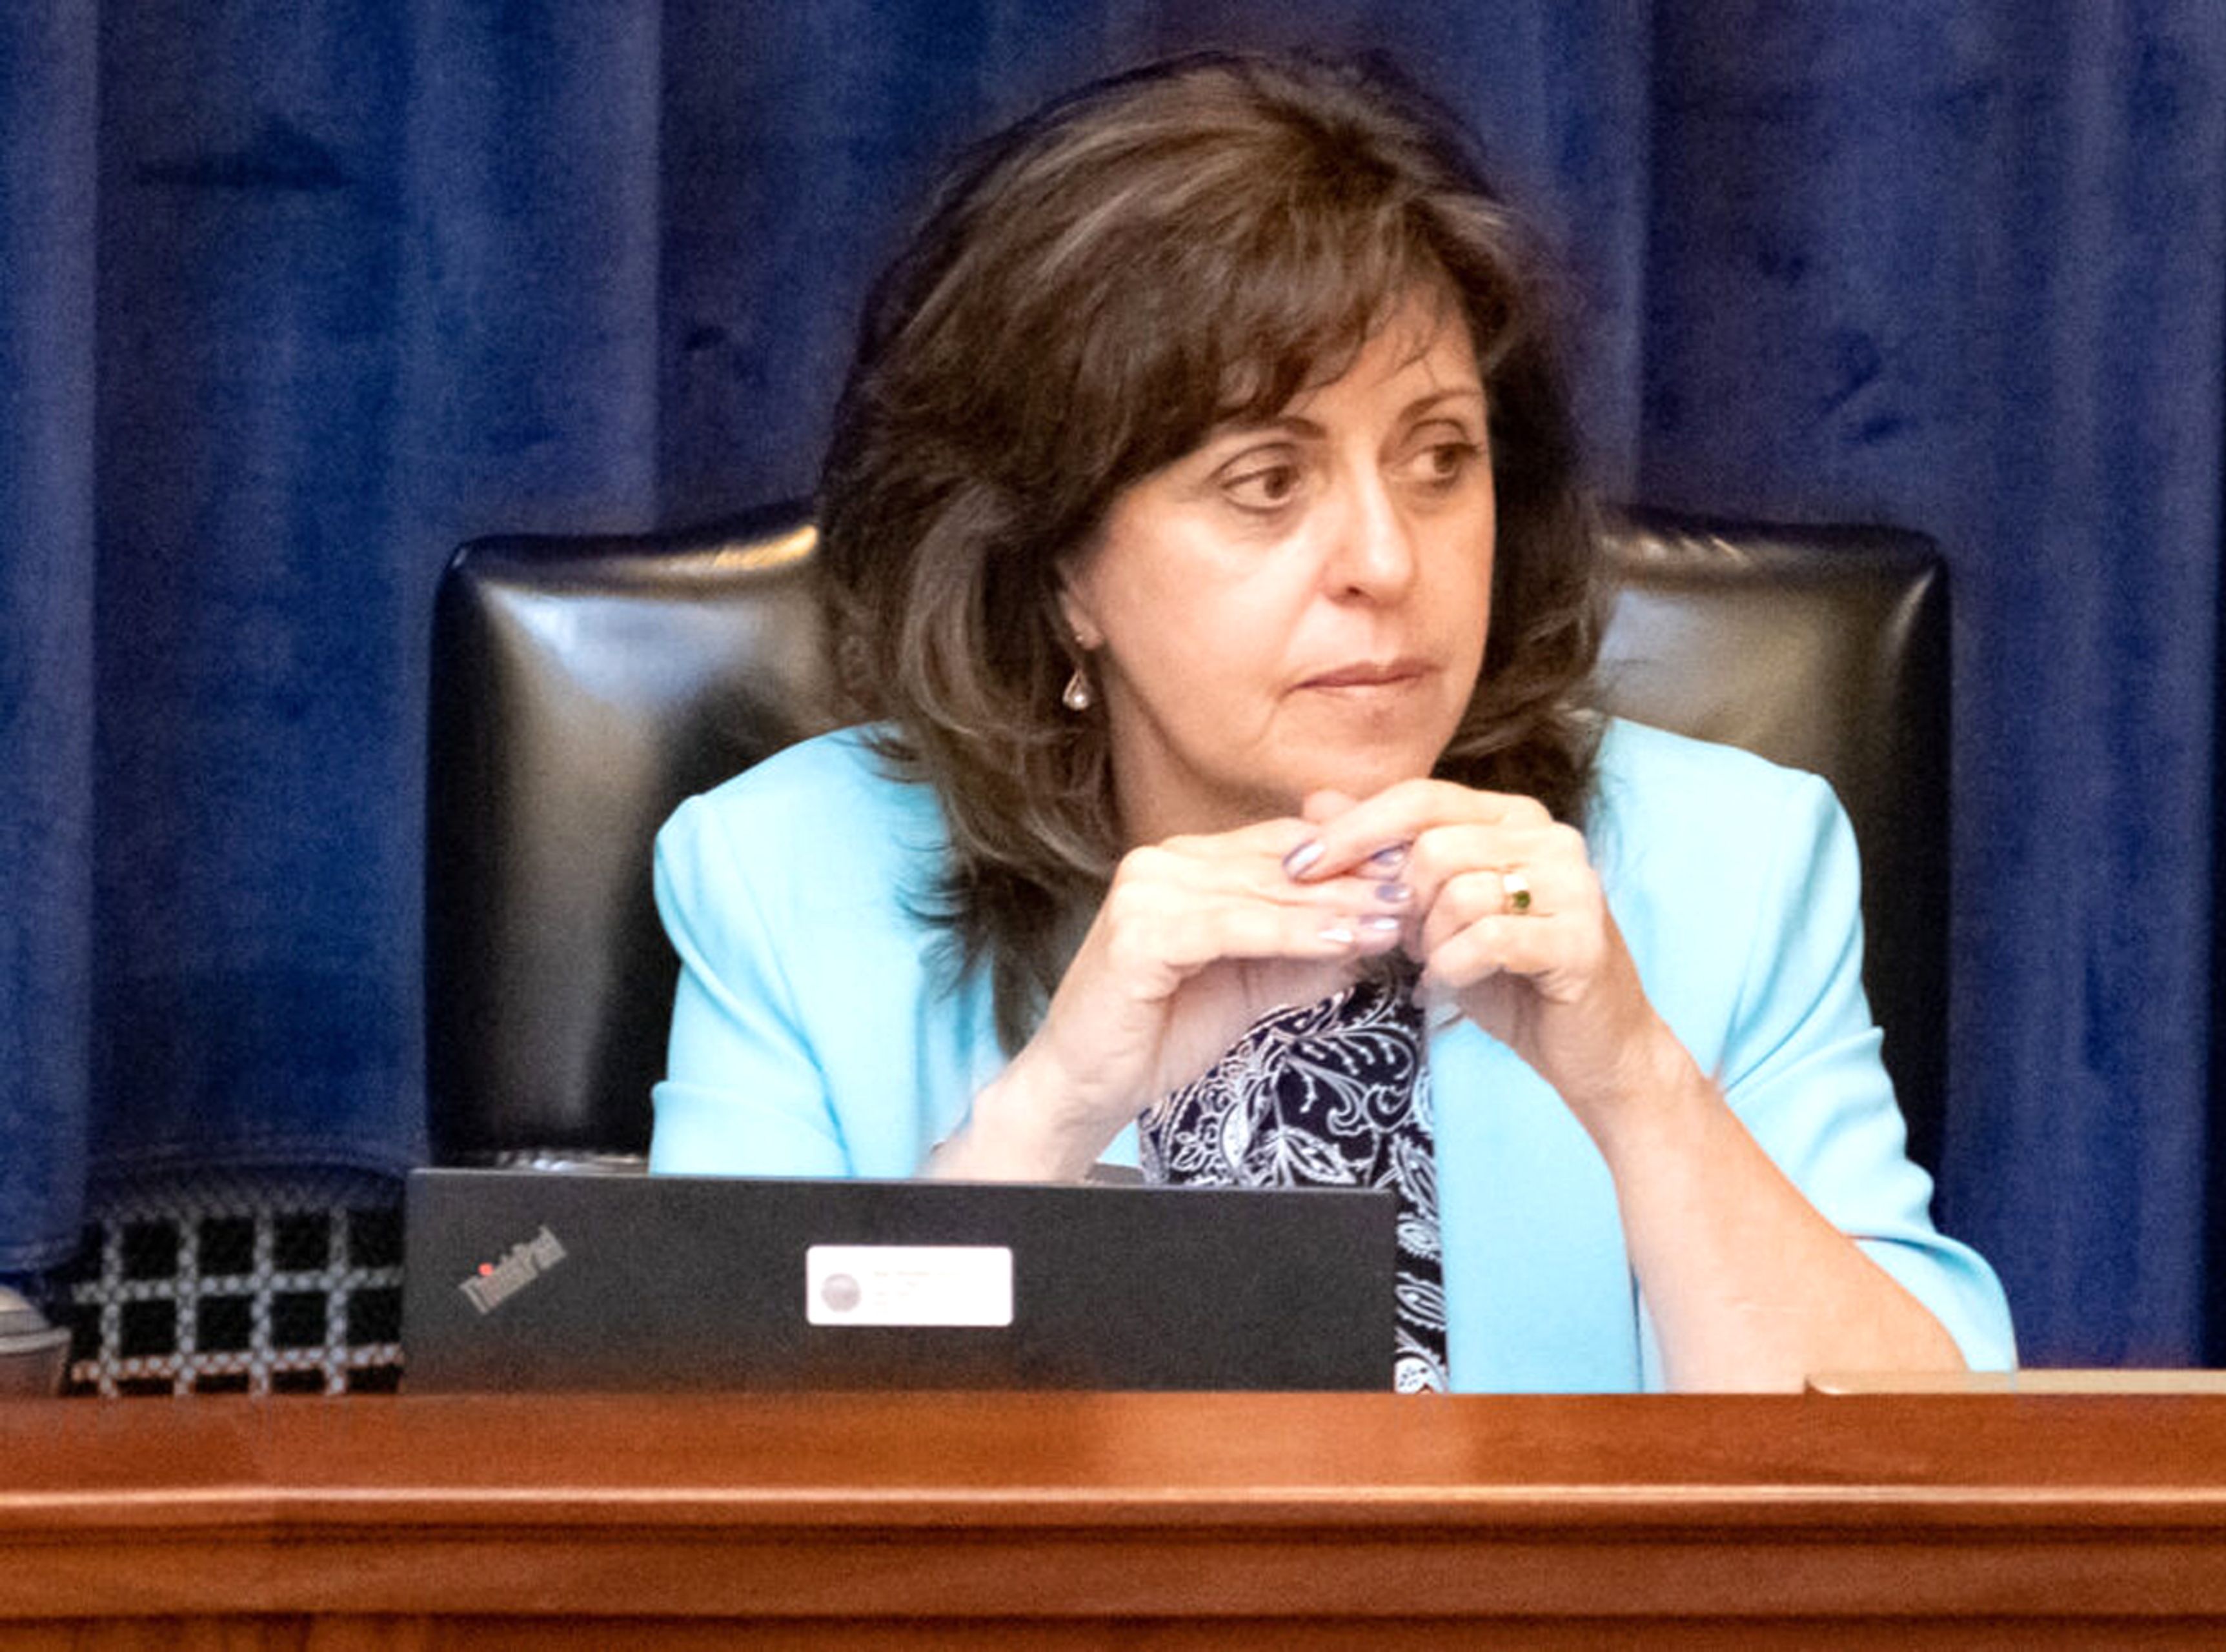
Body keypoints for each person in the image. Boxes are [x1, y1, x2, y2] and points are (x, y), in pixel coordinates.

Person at [647, 50, 2014, 1392]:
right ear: (1061, 568)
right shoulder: (789, 882)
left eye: (1439, 460)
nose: (1386, 559)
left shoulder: (1731, 866)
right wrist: (1055, 1106)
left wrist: (1640, 1083)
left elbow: (1927, 1490)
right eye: (1265, 481)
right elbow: (710, 1511)